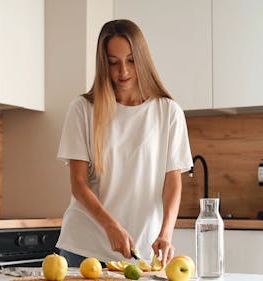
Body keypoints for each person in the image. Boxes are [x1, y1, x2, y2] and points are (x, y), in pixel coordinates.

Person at [56, 19, 193, 267]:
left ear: (142, 59)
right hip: (85, 247)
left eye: (131, 60)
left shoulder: (168, 112)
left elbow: (172, 182)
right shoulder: (83, 109)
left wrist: (166, 233)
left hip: (139, 251)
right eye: (113, 62)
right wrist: (111, 226)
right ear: (103, 64)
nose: (123, 72)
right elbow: (78, 184)